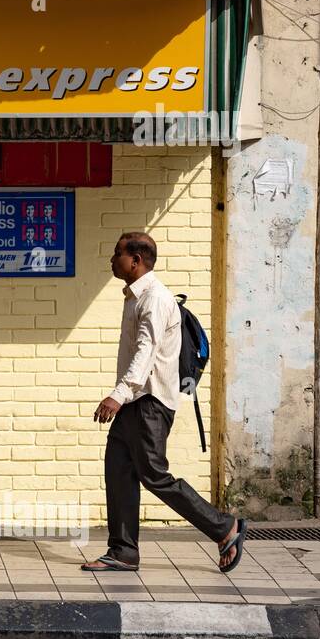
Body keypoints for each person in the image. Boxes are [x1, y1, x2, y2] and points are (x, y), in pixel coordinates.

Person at [84, 232, 246, 574]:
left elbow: (147, 351)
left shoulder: (154, 299)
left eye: (117, 254)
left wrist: (118, 393)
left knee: (154, 475)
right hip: (135, 403)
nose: (111, 260)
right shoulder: (134, 297)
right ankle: (123, 551)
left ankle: (223, 527)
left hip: (150, 403)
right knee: (118, 470)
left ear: (135, 260)